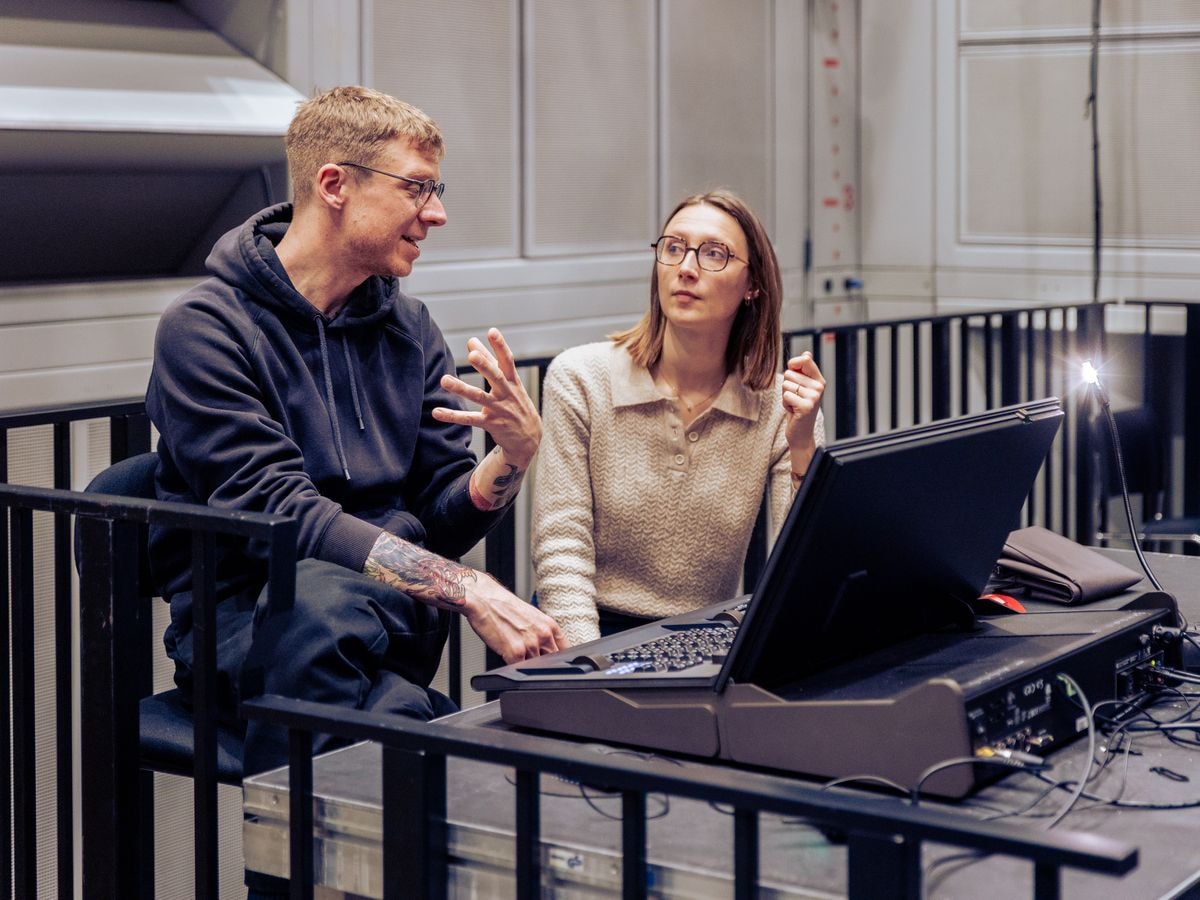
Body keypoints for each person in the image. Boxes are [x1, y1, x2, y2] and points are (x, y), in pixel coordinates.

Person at [145, 85, 566, 783]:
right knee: (371, 684)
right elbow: (282, 513)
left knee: (327, 611)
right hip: (245, 619)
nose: (437, 213)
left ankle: (289, 874)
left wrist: (509, 461)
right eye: (416, 189)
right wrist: (465, 589)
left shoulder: (411, 330)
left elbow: (437, 519)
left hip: (385, 611)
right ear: (334, 184)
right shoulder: (205, 328)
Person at [532, 189, 826, 647]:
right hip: (590, 631)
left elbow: (802, 566)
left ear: (753, 286)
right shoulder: (581, 378)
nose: (686, 268)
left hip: (705, 636)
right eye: (673, 248)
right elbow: (561, 547)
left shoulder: (776, 402)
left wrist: (805, 445)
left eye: (714, 254)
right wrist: (589, 671)